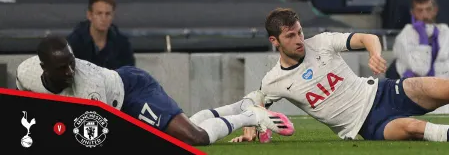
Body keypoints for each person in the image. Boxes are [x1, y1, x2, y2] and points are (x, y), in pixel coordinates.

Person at [230, 8, 449, 142]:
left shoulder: (321, 43)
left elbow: (366, 38)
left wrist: (374, 52)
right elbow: (254, 102)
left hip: (385, 91)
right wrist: (251, 126)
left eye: (299, 32)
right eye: (290, 37)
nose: (299, 40)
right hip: (367, 126)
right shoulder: (274, 79)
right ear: (275, 42)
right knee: (412, 127)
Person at [15, 36, 294, 145]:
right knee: (182, 131)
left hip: (133, 92)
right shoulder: (26, 73)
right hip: (116, 103)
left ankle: (252, 117)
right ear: (43, 67)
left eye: (72, 64)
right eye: (62, 68)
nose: (69, 72)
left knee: (193, 138)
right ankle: (241, 106)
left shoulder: (89, 88)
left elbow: (96, 138)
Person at [390, 0, 449, 114]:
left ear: (435, 10)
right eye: (419, 10)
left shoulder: (447, 33)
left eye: (428, 9)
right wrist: (423, 41)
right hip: (419, 97)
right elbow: (420, 69)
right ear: (412, 13)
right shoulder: (404, 37)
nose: (424, 15)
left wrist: (434, 75)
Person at [67, 0, 135, 70]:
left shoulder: (122, 43)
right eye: (99, 13)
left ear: (113, 16)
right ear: (90, 15)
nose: (103, 18)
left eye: (107, 14)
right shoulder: (74, 43)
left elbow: (130, 74)